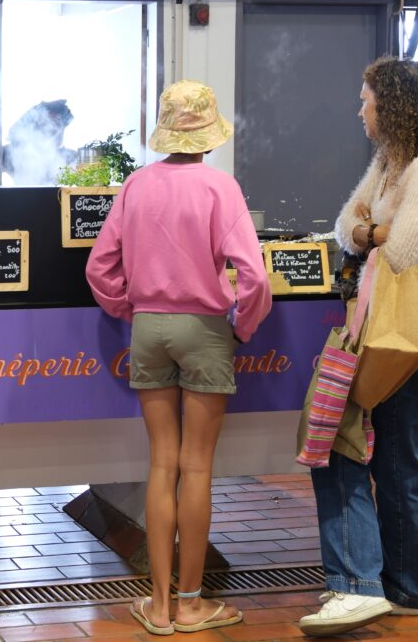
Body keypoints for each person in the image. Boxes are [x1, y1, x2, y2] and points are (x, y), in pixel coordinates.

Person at [85, 80, 271, 636]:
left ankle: (157, 605)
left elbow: (99, 267)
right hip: (205, 329)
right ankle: (192, 606)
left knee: (160, 465)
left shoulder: (136, 186)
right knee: (197, 468)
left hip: (147, 328)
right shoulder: (220, 188)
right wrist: (242, 326)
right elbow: (255, 276)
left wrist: (129, 307)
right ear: (209, 134)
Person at [299, 57, 418, 637]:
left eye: (365, 98)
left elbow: (404, 251)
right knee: (395, 463)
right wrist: (370, 229)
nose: (359, 108)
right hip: (394, 324)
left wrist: (373, 232)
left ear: (393, 103)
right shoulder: (389, 163)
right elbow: (345, 224)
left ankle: (358, 586)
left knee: (345, 445)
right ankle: (410, 590)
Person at [1, 99, 76, 185]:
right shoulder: (12, 153)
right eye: (46, 122)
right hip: (23, 196)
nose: (52, 127)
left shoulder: (69, 157)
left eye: (57, 122)